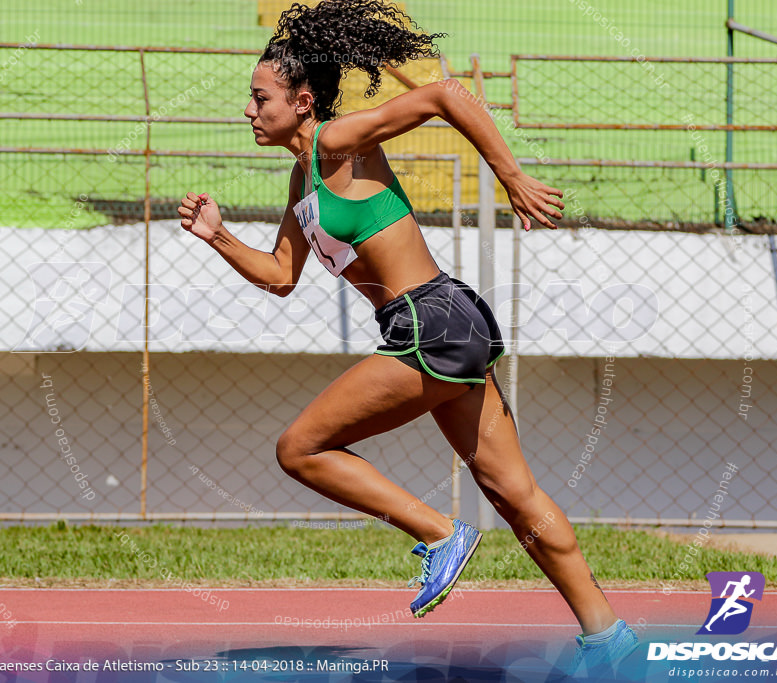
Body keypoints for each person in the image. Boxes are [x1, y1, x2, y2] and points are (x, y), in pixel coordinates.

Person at [178, 0, 637, 672]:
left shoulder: (339, 141)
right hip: (446, 322)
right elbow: (281, 275)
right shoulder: (302, 175)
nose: (248, 111)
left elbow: (447, 95)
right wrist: (217, 236)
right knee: (516, 496)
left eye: (259, 98)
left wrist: (510, 176)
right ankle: (608, 637)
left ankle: (438, 532)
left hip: (430, 322)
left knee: (300, 447)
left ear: (303, 101)